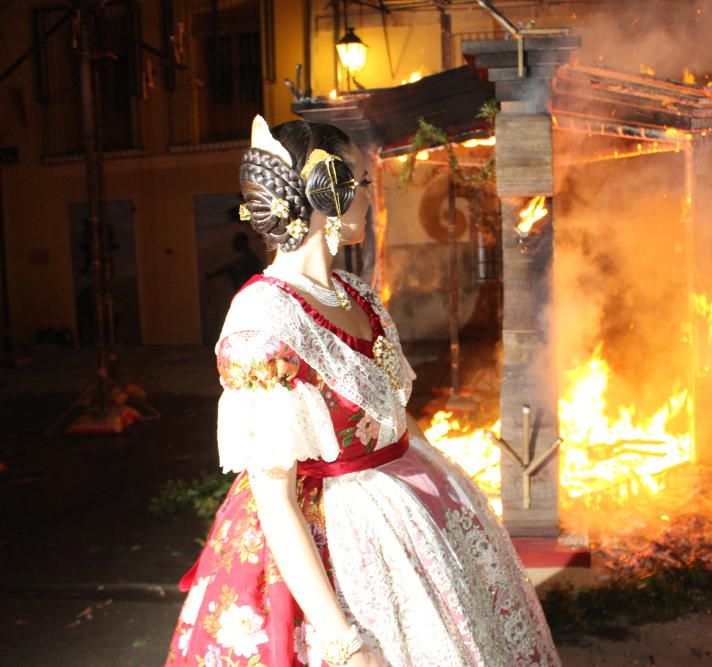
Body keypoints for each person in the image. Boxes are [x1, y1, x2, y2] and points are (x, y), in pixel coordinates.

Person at [163, 116, 560, 667]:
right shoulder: (261, 322)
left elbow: (394, 415)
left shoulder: (356, 294)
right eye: (361, 181)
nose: (370, 195)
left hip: (408, 508)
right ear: (327, 190)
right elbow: (275, 501)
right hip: (332, 540)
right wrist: (344, 640)